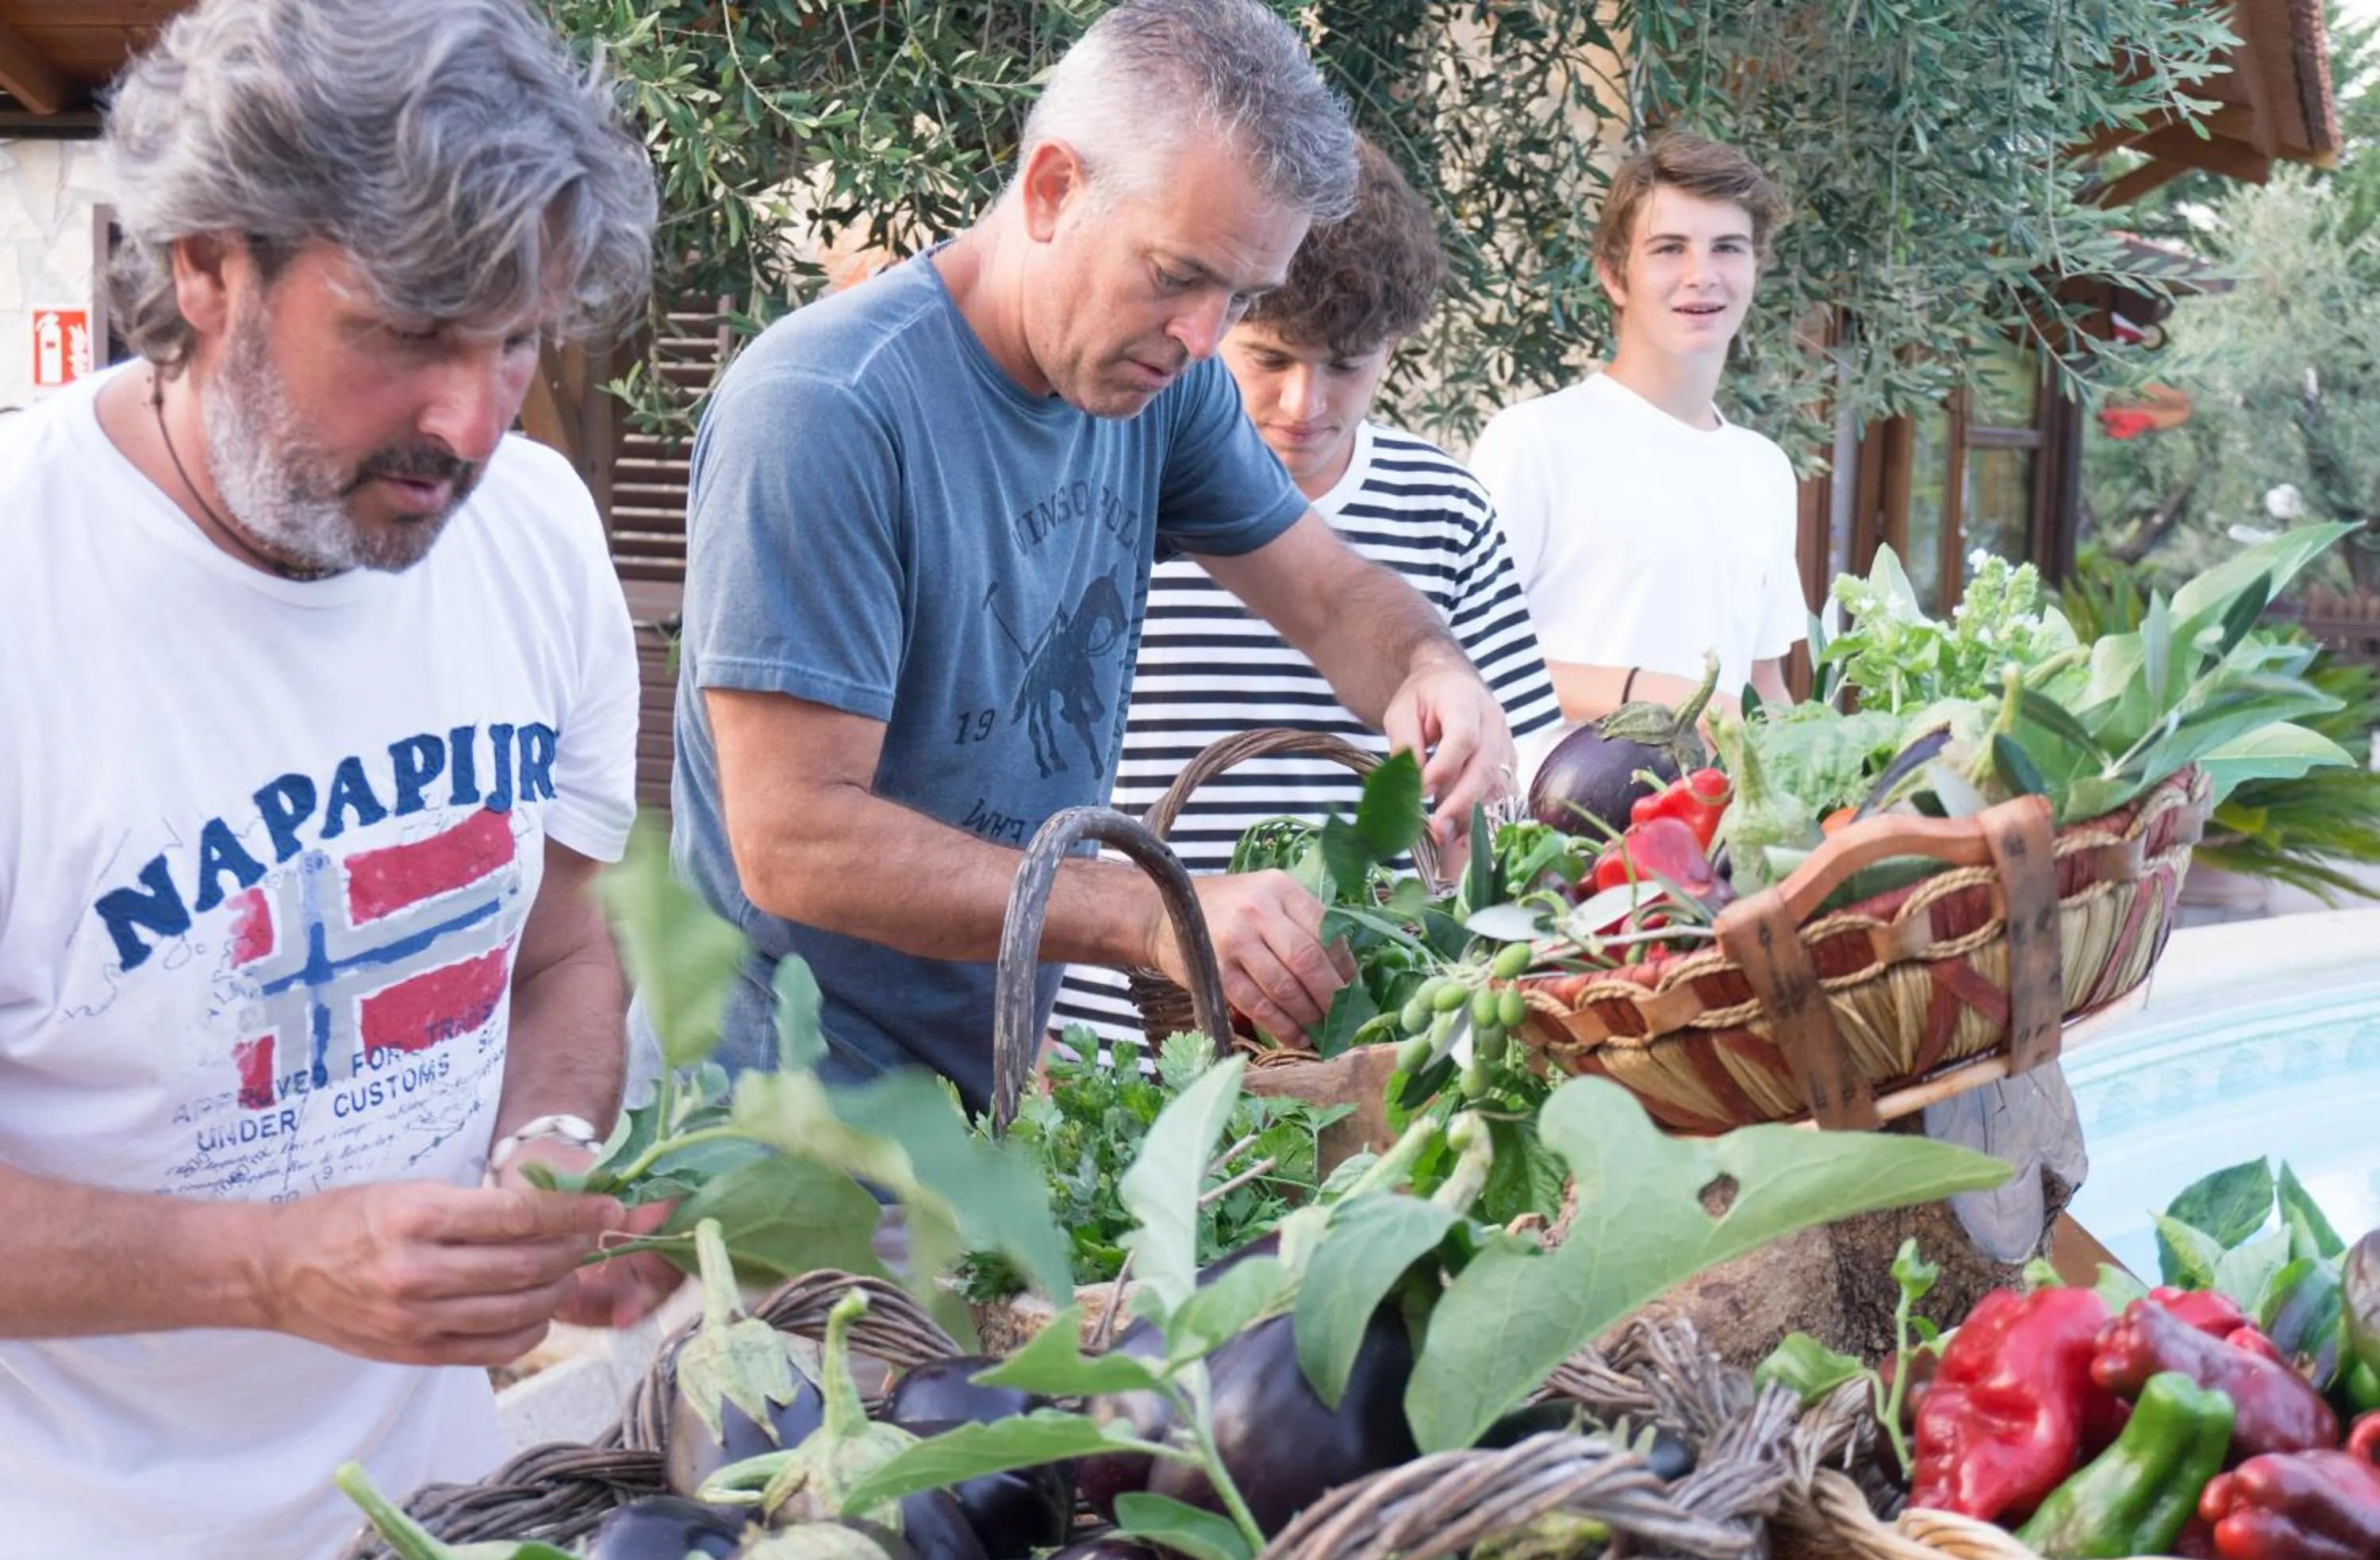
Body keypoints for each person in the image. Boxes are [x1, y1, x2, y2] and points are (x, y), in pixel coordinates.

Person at [0, 2, 672, 1560]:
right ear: (208, 268)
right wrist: (264, 1268)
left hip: (445, 1524)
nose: (473, 423)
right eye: (408, 330)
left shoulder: (539, 538)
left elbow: (564, 951)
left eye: (517, 339)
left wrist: (553, 1140)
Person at [666, 0, 1515, 1115]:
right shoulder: (826, 408)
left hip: (979, 1098)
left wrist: (1430, 669)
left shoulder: (1163, 390)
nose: (1205, 336)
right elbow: (794, 842)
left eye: (1240, 296)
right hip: (780, 1116)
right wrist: (1151, 911)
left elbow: (1329, 593)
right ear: (1053, 189)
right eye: (1176, 274)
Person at [1053, 138, 1562, 1046]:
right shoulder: (1112, 486)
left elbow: (1511, 778)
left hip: (1358, 1027)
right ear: (1213, 324)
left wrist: (1478, 804)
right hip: (1112, 1026)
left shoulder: (1444, 507)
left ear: (1395, 347)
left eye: (1346, 365)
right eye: (1271, 359)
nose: (1303, 403)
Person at [1469, 132, 1806, 724]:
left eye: (1727, 248)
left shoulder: (1766, 470)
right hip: (1558, 787)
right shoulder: (1534, 441)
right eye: (1669, 249)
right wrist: (1656, 694)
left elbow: (1763, 686)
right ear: (1614, 276)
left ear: (1756, 268)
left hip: (1717, 791)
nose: (1702, 274)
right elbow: (1469, 659)